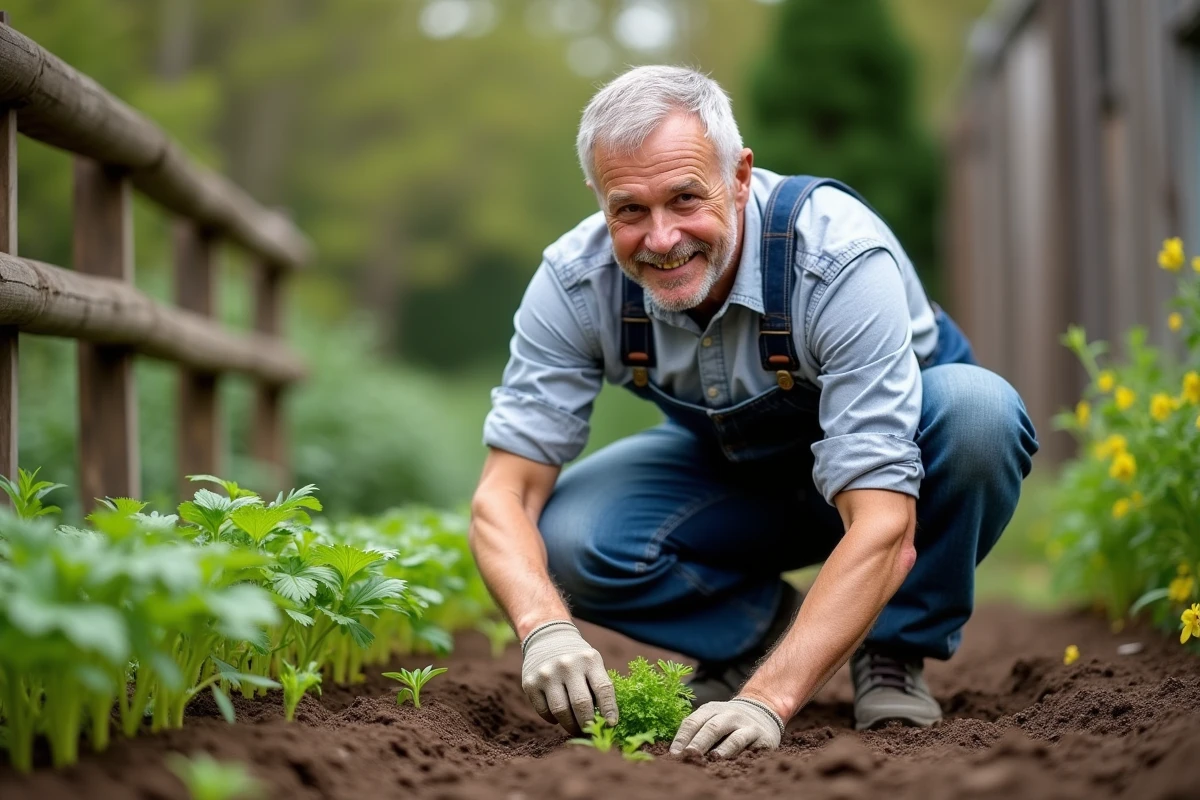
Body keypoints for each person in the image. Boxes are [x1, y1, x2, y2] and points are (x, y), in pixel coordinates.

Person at [468, 65, 1038, 759]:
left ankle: (891, 648)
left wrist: (769, 701)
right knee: (570, 534)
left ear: (739, 176)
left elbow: (885, 521)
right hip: (736, 478)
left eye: (685, 198)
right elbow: (504, 495)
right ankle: (762, 633)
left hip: (896, 475)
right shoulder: (575, 282)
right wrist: (544, 627)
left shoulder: (836, 257)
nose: (662, 238)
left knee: (980, 413)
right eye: (630, 210)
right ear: (599, 199)